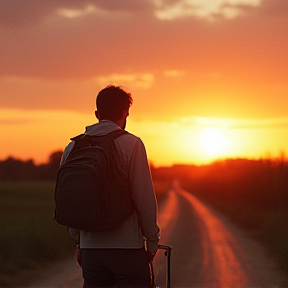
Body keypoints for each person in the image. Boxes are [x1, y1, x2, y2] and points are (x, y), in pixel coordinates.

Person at [60, 85, 160, 288]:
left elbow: (70, 200)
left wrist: (79, 241)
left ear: (97, 113)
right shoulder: (132, 144)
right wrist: (152, 240)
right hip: (127, 249)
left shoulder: (73, 147)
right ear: (126, 112)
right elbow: (144, 197)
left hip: (91, 250)